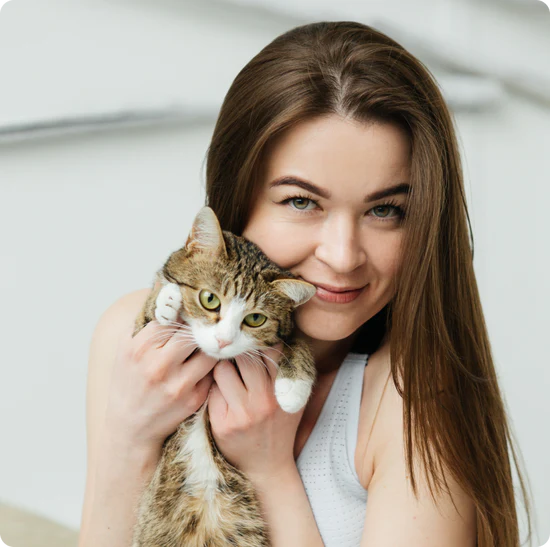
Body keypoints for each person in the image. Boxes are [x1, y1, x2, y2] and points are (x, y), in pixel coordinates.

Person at [78, 21, 533, 547]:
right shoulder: (134, 342)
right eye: (301, 201)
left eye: (385, 210)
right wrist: (129, 438)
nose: (342, 256)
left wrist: (271, 470)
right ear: (236, 200)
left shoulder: (413, 405)